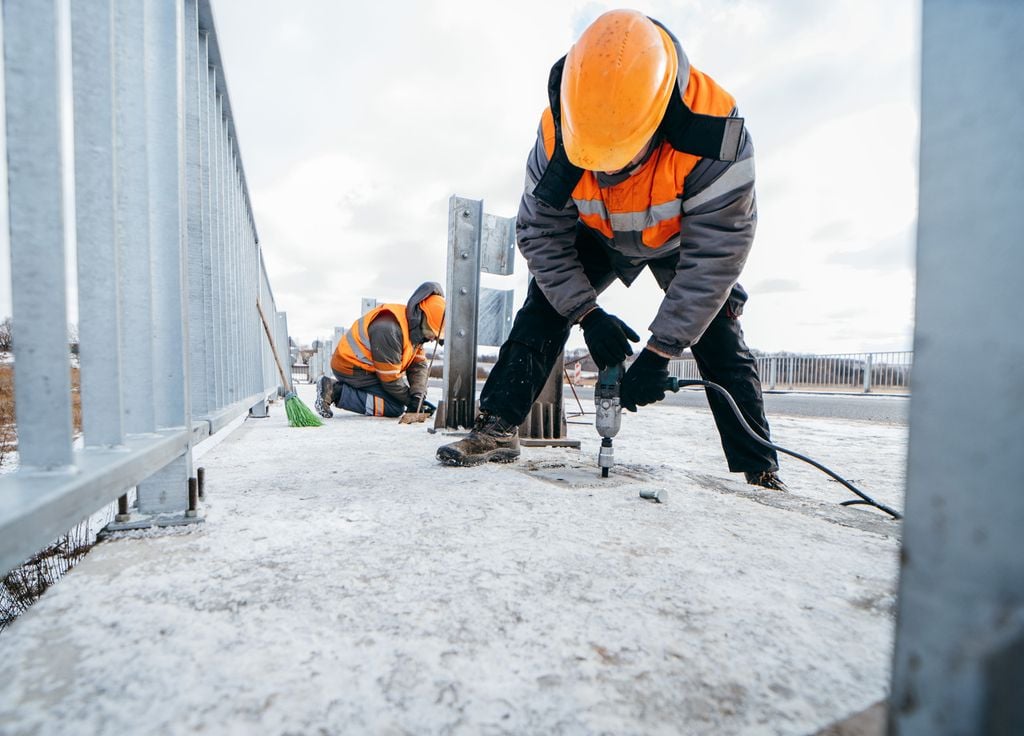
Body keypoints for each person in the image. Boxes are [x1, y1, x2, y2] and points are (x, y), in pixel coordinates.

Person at [436, 10, 786, 490]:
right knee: (542, 307)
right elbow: (540, 236)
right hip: (595, 231)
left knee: (720, 332)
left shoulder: (715, 134)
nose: (606, 173)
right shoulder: (558, 132)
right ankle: (495, 427)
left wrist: (661, 351)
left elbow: (717, 256)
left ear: (659, 119)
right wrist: (587, 314)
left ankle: (759, 466)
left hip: (677, 236)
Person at [316, 282, 444, 419]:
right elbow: (390, 380)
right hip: (351, 367)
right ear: (423, 317)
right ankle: (335, 390)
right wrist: (410, 401)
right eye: (433, 332)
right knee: (394, 407)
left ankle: (337, 390)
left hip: (368, 368)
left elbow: (418, 365)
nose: (432, 339)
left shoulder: (415, 330)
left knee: (398, 400)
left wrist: (418, 396)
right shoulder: (388, 329)